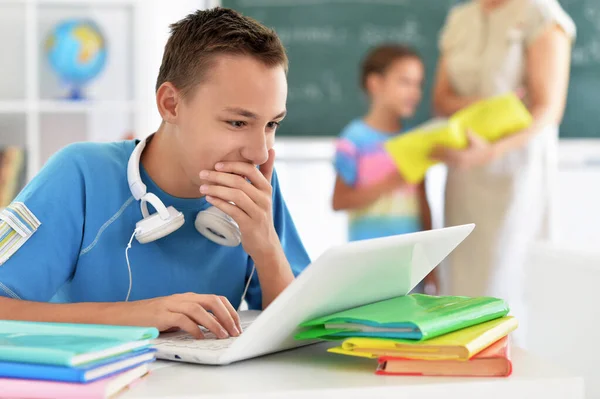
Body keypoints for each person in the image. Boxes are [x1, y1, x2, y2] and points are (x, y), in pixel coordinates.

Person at [0, 8, 311, 340]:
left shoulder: (255, 185)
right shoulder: (80, 176)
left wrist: (267, 248)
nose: (259, 152)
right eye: (237, 123)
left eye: (271, 124)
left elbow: (302, 332)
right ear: (171, 104)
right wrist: (134, 316)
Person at [431, 0, 575, 344]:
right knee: (461, 288)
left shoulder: (542, 15)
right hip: (464, 176)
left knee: (505, 283)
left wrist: (491, 150)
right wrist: (485, 108)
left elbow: (548, 108)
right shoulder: (460, 19)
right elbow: (441, 98)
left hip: (516, 176)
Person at [331, 44, 437, 294]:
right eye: (405, 82)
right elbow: (339, 200)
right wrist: (391, 182)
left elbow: (424, 206)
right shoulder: (354, 139)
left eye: (418, 84)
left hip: (410, 266)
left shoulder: (415, 141)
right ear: (375, 83)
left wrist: (433, 267)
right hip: (366, 265)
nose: (414, 92)